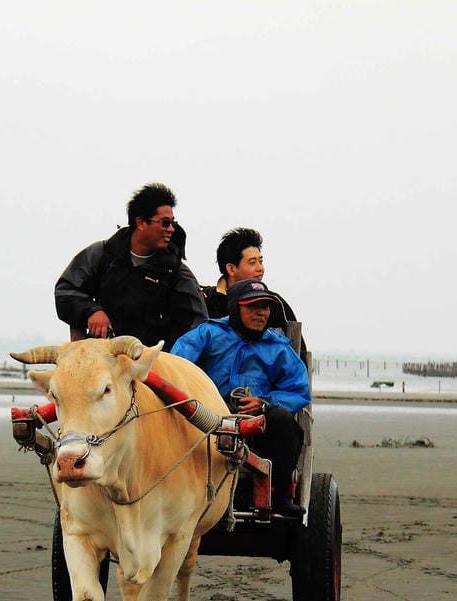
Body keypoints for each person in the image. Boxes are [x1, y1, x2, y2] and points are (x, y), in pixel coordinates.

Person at [171, 280, 310, 516]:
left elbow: (299, 392)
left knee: (284, 422)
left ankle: (280, 496)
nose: (261, 313)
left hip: (256, 425)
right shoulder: (208, 334)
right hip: (208, 418)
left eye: (265, 307)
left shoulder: (278, 348)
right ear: (235, 307)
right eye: (253, 306)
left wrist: (265, 402)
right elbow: (176, 367)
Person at [54, 183, 207, 350]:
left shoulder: (177, 272)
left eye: (173, 223)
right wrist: (91, 311)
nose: (170, 229)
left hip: (150, 364)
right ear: (141, 223)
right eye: (164, 223)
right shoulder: (102, 254)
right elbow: (66, 291)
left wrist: (163, 358)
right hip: (102, 358)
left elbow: (195, 325)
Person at [200, 227, 300, 326]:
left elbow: (292, 340)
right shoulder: (206, 300)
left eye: (260, 261)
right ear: (231, 269)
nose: (260, 268)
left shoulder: (275, 303)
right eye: (252, 262)